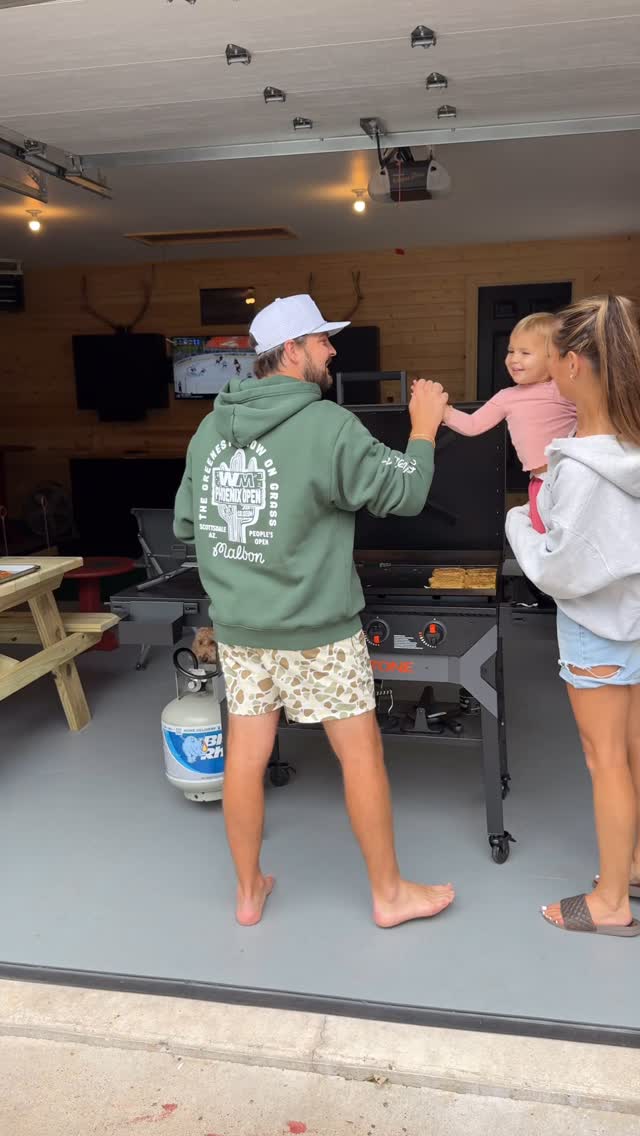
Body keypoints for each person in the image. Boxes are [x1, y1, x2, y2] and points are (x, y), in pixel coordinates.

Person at [174, 293, 454, 928]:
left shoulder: (209, 430)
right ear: (293, 350)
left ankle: (248, 893)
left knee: (246, 757)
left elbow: (188, 524)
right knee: (360, 756)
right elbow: (406, 493)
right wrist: (423, 428)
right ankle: (389, 896)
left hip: (241, 630)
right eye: (323, 340)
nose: (332, 350)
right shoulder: (329, 425)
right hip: (318, 631)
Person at [506, 294, 640, 937]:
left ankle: (611, 901)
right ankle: (632, 863)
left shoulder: (582, 466)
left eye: (552, 356)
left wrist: (517, 522)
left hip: (596, 629)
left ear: (575, 365)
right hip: (636, 619)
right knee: (633, 753)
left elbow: (559, 568)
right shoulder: (630, 448)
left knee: (604, 759)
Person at [439, 312, 576, 532]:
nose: (514, 359)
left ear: (554, 358)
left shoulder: (563, 389)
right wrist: (443, 411)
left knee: (568, 537)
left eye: (525, 353)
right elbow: (473, 425)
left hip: (570, 480)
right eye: (511, 351)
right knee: (541, 538)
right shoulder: (506, 397)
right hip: (538, 481)